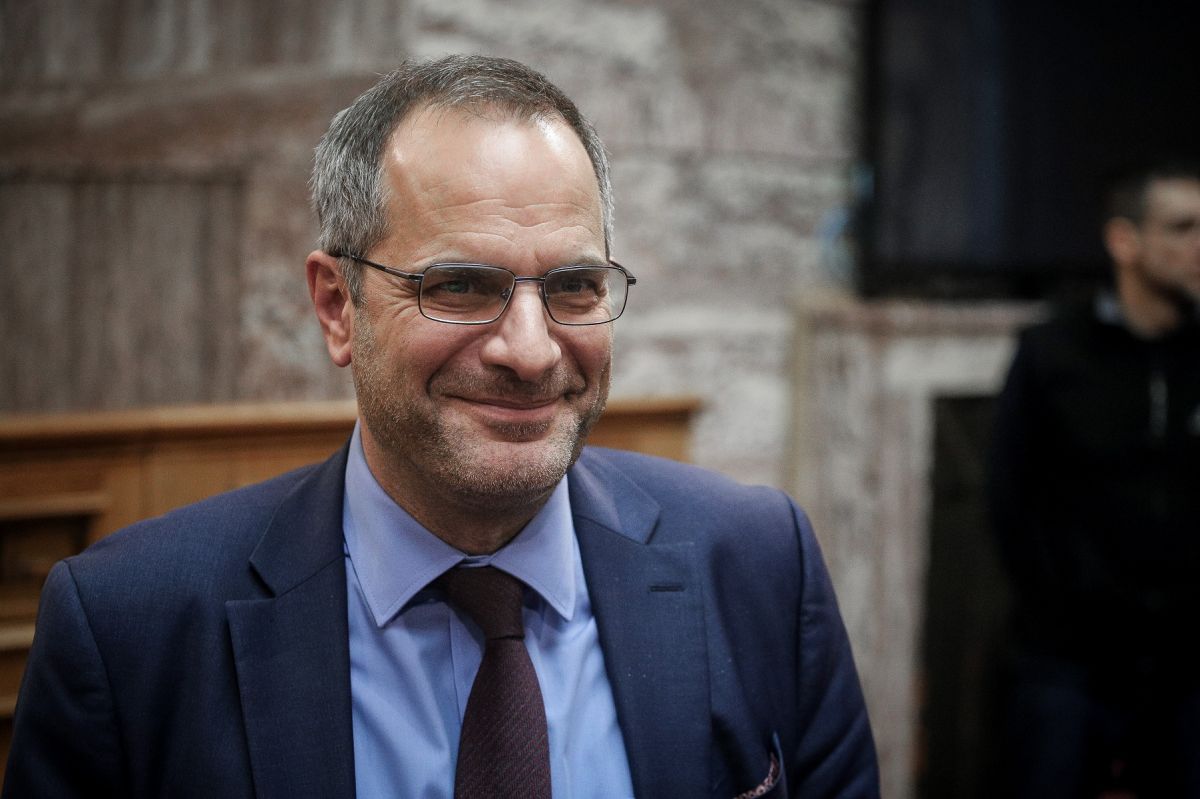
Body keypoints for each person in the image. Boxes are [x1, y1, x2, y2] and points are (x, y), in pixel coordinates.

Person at [3, 55, 879, 798]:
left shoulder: (760, 566)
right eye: (459, 285)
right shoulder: (129, 631)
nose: (531, 351)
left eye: (574, 286)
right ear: (338, 307)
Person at [988, 160, 1200, 798]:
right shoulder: (1054, 350)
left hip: (1186, 660)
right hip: (1067, 660)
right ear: (1124, 241)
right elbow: (1008, 495)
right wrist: (1058, 608)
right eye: (1183, 228)